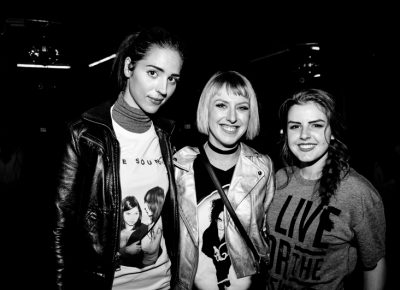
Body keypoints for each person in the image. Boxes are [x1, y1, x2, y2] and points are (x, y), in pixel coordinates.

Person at [52, 26, 184, 290]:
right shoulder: (84, 136)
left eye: (172, 79)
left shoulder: (167, 137)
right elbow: (59, 227)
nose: (163, 88)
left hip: (163, 283)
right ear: (128, 68)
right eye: (153, 73)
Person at [267, 88, 386, 290]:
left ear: (332, 132)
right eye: (295, 126)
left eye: (316, 125)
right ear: (286, 133)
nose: (304, 135)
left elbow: (374, 264)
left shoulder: (358, 192)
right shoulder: (277, 179)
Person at [173, 70, 275, 290]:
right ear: (205, 110)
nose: (232, 117)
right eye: (221, 105)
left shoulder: (263, 167)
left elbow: (265, 230)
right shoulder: (179, 166)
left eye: (242, 107)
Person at [119, 195, 148, 268]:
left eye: (136, 213)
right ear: (121, 213)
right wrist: (125, 250)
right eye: (128, 213)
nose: (132, 218)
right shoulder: (114, 230)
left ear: (139, 213)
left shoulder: (144, 229)